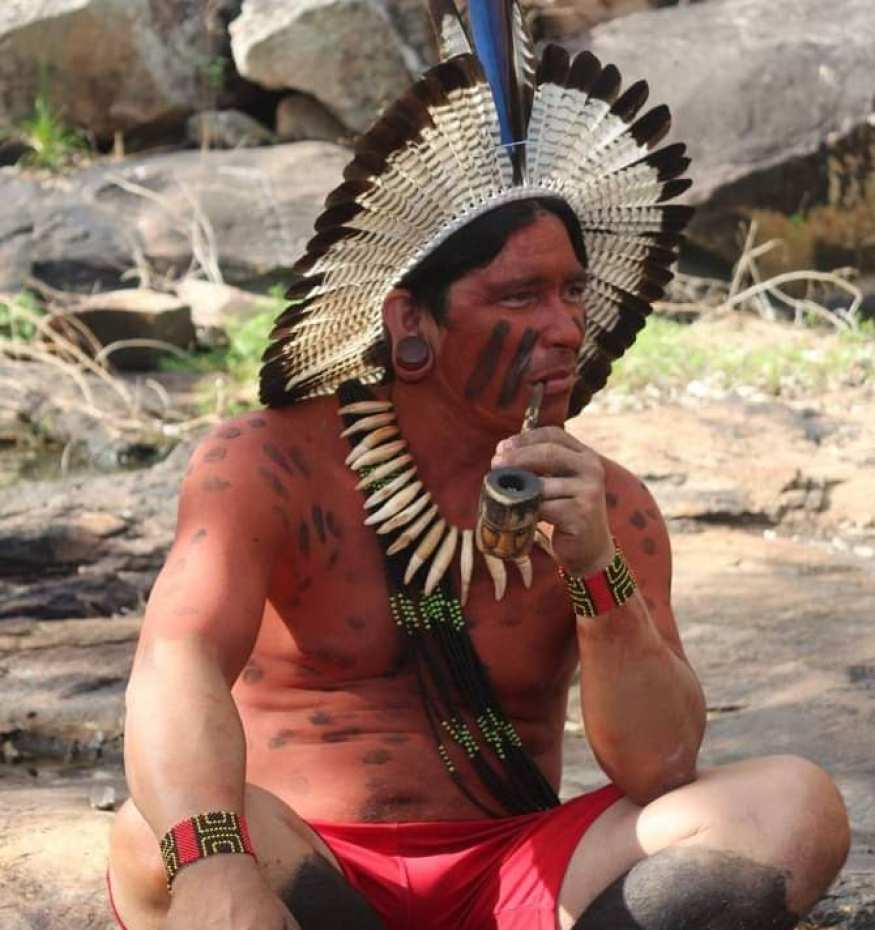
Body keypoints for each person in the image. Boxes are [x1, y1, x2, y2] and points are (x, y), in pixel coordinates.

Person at [107, 5, 850, 929]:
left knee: (790, 807)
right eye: (519, 294)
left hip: (519, 871)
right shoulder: (270, 465)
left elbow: (658, 768)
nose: (564, 327)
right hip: (308, 858)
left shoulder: (610, 505)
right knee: (161, 836)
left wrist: (593, 568)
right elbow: (174, 660)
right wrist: (217, 866)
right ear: (409, 322)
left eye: (572, 291)